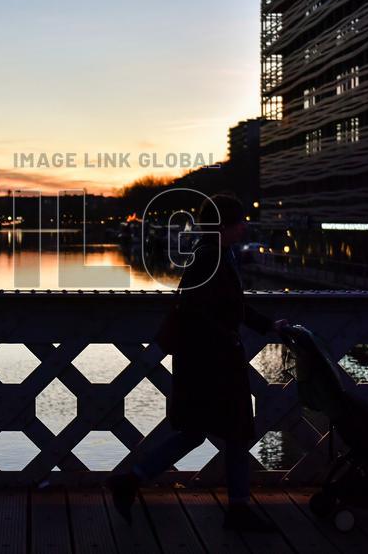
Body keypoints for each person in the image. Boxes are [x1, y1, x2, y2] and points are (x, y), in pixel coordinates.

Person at [105, 194, 287, 532]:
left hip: (200, 362)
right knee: (233, 432)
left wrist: (264, 325)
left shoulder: (211, 256)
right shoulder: (213, 259)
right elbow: (211, 309)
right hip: (215, 364)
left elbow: (218, 307)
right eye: (238, 221)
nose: (244, 226)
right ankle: (237, 508)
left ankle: (132, 480)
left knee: (195, 432)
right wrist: (231, 335)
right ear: (223, 227)